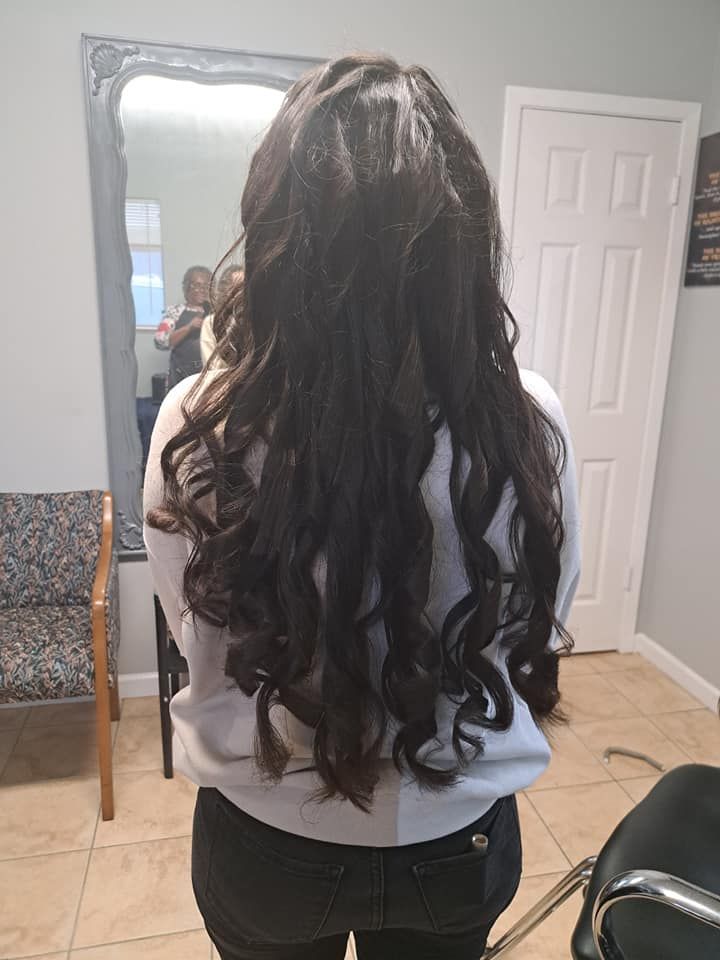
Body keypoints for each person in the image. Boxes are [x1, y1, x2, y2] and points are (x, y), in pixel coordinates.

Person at [144, 54, 580, 960]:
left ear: (279, 236)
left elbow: (198, 628)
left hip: (269, 838)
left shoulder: (201, 422)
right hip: (452, 835)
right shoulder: (523, 419)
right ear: (461, 245)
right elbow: (539, 610)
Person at [154, 265, 212, 387]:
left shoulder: (217, 312)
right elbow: (160, 341)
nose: (201, 290)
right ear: (186, 287)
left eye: (206, 286)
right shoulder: (174, 312)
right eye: (196, 285)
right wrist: (189, 327)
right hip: (180, 376)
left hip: (208, 376)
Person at [200, 264, 244, 367]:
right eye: (236, 287)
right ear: (225, 290)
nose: (241, 292)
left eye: (243, 286)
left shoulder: (257, 320)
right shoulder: (211, 322)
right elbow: (211, 365)